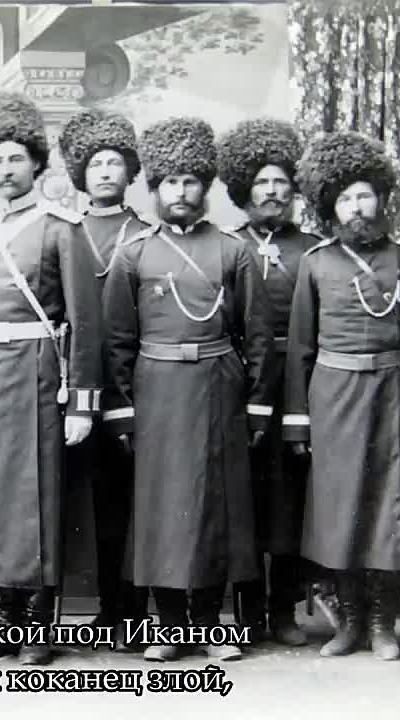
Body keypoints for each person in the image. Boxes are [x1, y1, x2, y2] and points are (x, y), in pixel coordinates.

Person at [0, 90, 101, 666]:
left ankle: (37, 629)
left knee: (34, 501)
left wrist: (82, 404)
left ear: (35, 163)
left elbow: (85, 321)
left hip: (37, 376)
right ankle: (2, 625)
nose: (6, 169)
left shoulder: (61, 228)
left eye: (16, 158)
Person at [103, 117, 275, 663]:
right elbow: (117, 342)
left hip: (218, 385)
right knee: (163, 509)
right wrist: (123, 410)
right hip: (156, 390)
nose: (180, 191)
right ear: (155, 190)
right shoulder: (134, 254)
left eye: (190, 181)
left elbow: (258, 336)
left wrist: (256, 406)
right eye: (170, 182)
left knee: (214, 507)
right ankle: (171, 625)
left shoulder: (232, 251)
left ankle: (210, 624)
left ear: (205, 188)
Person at [285, 131, 400, 661]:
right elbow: (300, 349)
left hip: (393, 393)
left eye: (365, 195)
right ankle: (350, 622)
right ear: (329, 207)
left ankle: (383, 623)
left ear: (381, 199)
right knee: (341, 511)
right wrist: (298, 420)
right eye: (345, 198)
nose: (357, 207)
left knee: (389, 509)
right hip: (333, 396)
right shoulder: (315, 263)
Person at [214, 118, 322, 647]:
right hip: (238, 382)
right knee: (242, 499)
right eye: (261, 183)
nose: (272, 191)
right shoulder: (226, 245)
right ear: (244, 190)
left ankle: (284, 611)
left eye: (281, 182)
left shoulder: (314, 250)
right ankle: (247, 612)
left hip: (299, 382)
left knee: (290, 500)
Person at [57, 108, 152, 653]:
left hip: (130, 383)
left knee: (125, 499)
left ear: (130, 171)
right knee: (80, 498)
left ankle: (129, 612)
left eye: (115, 162)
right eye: (95, 164)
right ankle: (91, 607)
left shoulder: (145, 233)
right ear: (81, 173)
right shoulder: (64, 230)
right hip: (71, 383)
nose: (106, 172)